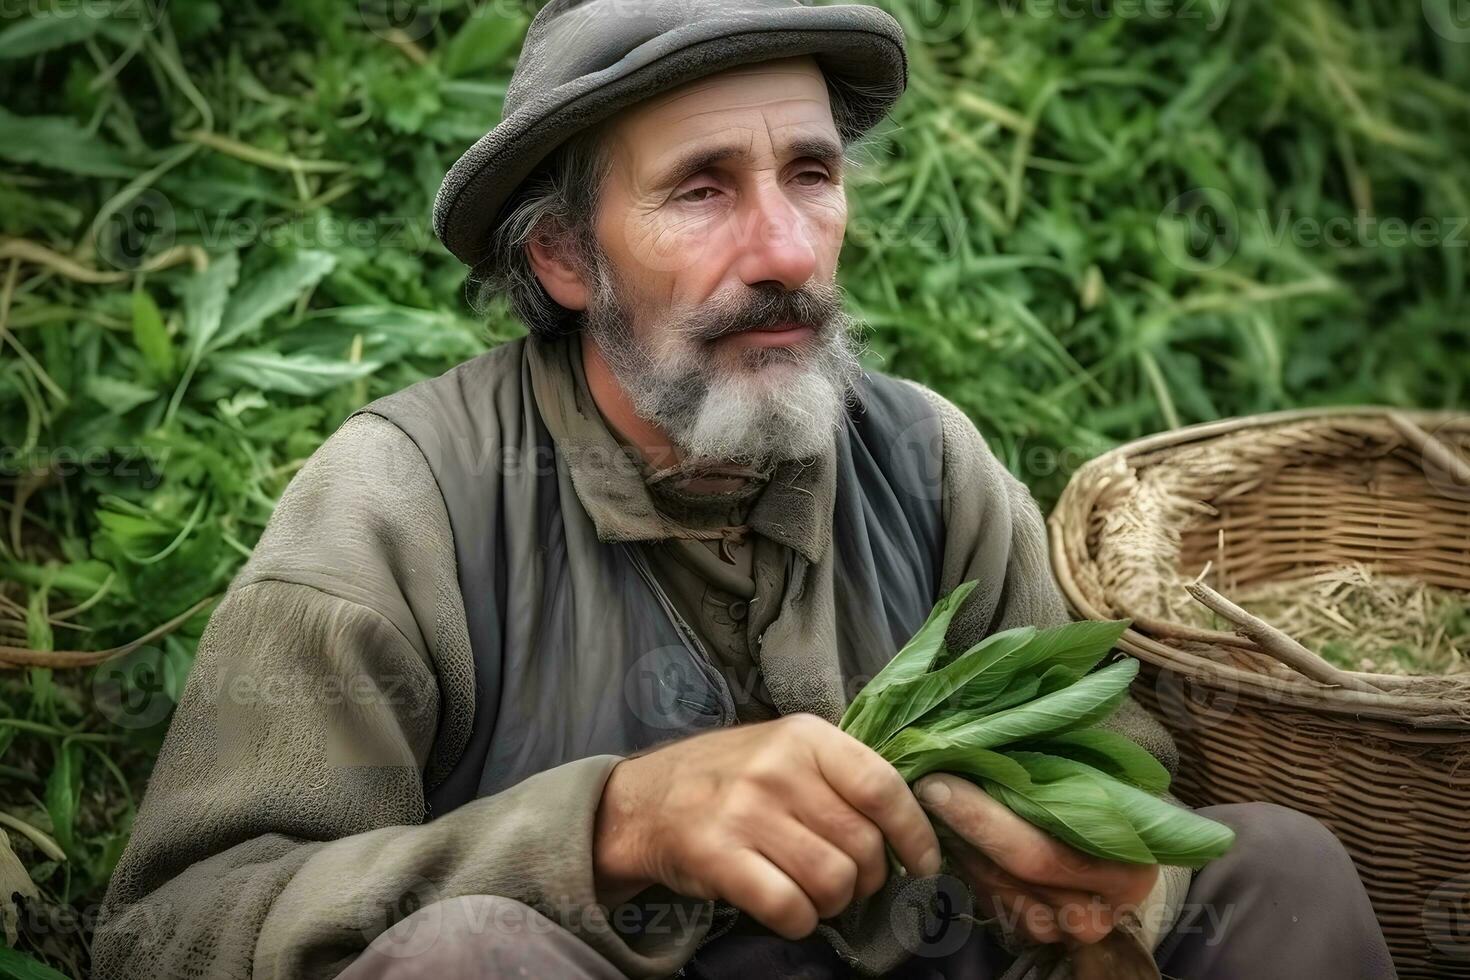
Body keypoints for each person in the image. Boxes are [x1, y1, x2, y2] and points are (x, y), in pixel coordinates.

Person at [92, 2, 1396, 978]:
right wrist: (601, 829)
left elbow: (1110, 736)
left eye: (809, 175)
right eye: (700, 189)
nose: (782, 250)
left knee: (1273, 870)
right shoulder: (405, 503)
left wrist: (1071, 855)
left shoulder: (926, 459)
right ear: (559, 255)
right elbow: (174, 925)